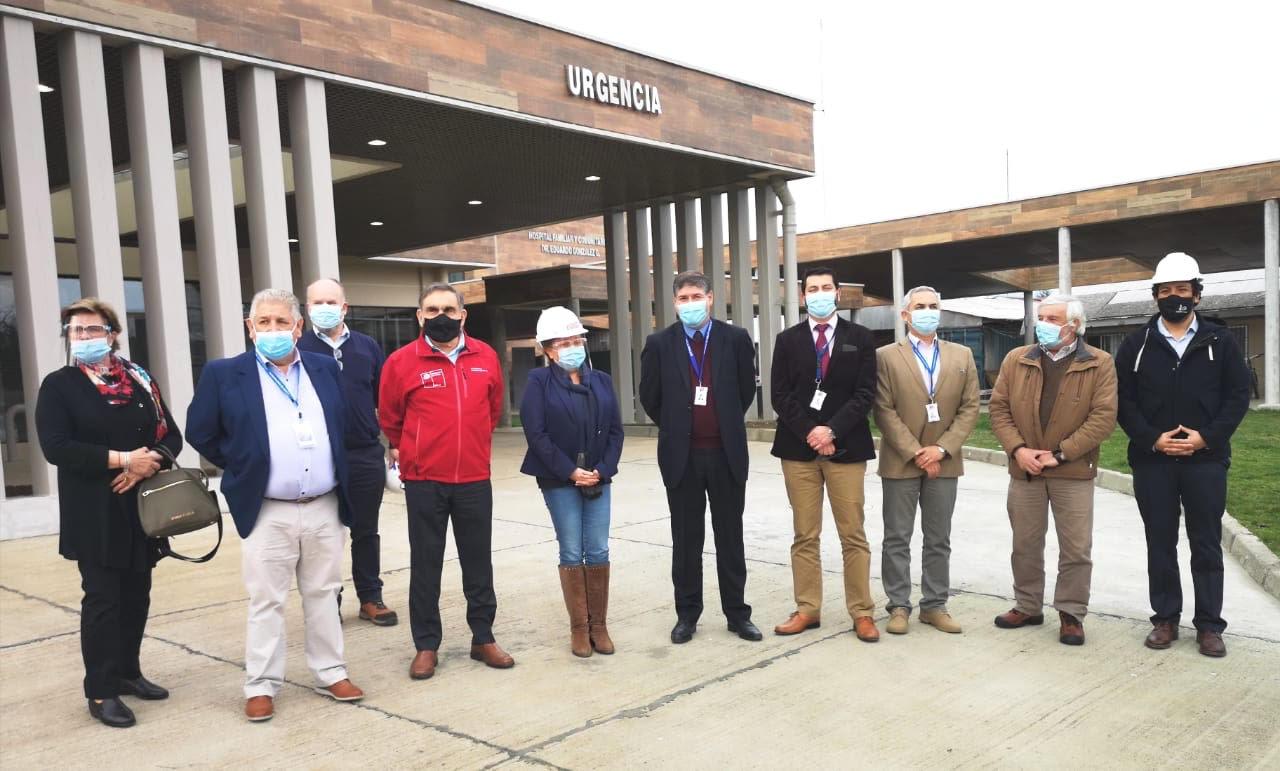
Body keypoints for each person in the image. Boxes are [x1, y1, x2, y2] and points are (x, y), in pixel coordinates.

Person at [187, 288, 364, 722]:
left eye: (282, 322)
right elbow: (200, 431)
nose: (273, 330)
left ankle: (331, 671)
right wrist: (245, 464)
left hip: (323, 503)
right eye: (263, 323)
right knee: (266, 600)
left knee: (324, 592)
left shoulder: (323, 368)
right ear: (250, 328)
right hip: (268, 507)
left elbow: (341, 423)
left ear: (298, 328)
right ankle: (261, 684)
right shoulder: (225, 374)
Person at [35, 298, 183, 728]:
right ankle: (100, 690)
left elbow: (170, 434)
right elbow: (56, 447)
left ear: (112, 334)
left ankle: (127, 672)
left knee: (137, 593)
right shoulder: (60, 385)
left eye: (91, 330)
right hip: (93, 510)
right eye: (76, 331)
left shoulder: (139, 379)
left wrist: (148, 463)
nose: (82, 338)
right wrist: (122, 460)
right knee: (103, 599)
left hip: (141, 503)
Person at [1114, 252, 1251, 658]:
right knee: (1160, 542)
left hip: (1205, 461)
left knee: (1205, 543)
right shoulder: (1136, 343)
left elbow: (1238, 395)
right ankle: (1165, 619)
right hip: (1153, 460)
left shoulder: (1221, 340)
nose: (1175, 297)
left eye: (1183, 290)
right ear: (1155, 295)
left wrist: (1205, 438)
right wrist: (1152, 439)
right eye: (1166, 291)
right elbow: (1123, 400)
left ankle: (1209, 626)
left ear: (1197, 295)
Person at [378, 282, 513, 680]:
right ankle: (426, 645)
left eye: (449, 309)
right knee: (426, 564)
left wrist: (469, 446)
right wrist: (413, 450)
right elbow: (390, 417)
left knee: (478, 561)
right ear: (420, 316)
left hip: (473, 477)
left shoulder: (485, 356)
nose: (441, 316)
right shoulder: (401, 362)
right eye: (432, 310)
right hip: (424, 481)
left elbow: (492, 411)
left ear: (462, 315)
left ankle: (482, 637)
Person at [639, 270, 762, 645]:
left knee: (730, 538)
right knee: (686, 541)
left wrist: (719, 422)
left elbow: (745, 391)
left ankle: (737, 614)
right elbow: (650, 396)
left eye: (696, 296)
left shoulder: (736, 339)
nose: (689, 303)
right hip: (683, 458)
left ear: (711, 298)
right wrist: (679, 426)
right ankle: (687, 615)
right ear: (674, 304)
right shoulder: (659, 343)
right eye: (682, 298)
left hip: (725, 455)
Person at [988, 293, 1117, 647]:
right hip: (1025, 469)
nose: (1042, 324)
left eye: (1053, 318)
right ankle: (1027, 606)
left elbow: (1103, 418)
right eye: (1040, 317)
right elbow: (999, 409)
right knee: (1025, 543)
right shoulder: (1017, 359)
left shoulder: (1099, 362)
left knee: (1076, 548)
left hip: (1072, 471)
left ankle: (1071, 613)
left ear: (1074, 326)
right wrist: (1018, 450)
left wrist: (1060, 454)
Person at [769, 267, 881, 643]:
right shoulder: (787, 340)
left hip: (846, 448)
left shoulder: (861, 338)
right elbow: (780, 395)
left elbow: (865, 394)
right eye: (812, 289)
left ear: (837, 293)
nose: (819, 293)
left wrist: (832, 430)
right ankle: (807, 609)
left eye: (825, 288)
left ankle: (862, 612)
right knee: (805, 534)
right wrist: (812, 432)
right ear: (803, 296)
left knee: (853, 534)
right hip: (798, 450)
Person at [519, 306, 625, 657]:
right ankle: (579, 628)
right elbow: (537, 433)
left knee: (598, 549)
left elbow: (614, 431)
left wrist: (603, 469)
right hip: (559, 479)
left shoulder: (602, 380)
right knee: (570, 550)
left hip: (598, 477)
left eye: (576, 340)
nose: (572, 347)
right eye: (563, 342)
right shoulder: (538, 382)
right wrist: (569, 471)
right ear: (548, 349)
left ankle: (600, 626)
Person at [873, 286, 979, 636]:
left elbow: (969, 408)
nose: (927, 311)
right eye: (920, 306)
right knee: (897, 537)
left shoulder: (962, 355)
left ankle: (934, 605)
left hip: (945, 462)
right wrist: (916, 451)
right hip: (900, 461)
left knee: (938, 538)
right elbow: (883, 409)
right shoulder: (886, 356)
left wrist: (942, 449)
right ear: (905, 314)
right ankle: (899, 605)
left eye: (934, 306)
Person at [298, 278, 397, 627]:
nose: (324, 308)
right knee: (325, 535)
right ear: (307, 308)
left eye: (331, 302)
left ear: (344, 307)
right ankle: (328, 602)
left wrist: (394, 442)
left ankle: (371, 597)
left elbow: (384, 400)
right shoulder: (299, 348)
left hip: (365, 454)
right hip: (320, 458)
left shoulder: (367, 347)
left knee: (366, 531)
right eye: (316, 302)